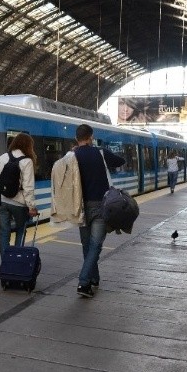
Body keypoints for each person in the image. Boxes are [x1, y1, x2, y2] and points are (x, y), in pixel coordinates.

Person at [72, 124, 125, 298]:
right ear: (91, 137)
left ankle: (94, 279)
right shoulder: (100, 153)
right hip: (101, 205)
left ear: (76, 138)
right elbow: (120, 162)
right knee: (95, 245)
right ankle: (83, 281)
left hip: (81, 206)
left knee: (87, 246)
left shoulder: (71, 156)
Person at [0, 133, 39, 254]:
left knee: (4, 232)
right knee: (21, 230)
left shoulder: (3, 157)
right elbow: (28, 188)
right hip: (18, 203)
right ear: (28, 146)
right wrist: (31, 207)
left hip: (0, 200)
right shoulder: (27, 161)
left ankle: (5, 264)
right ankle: (16, 260)